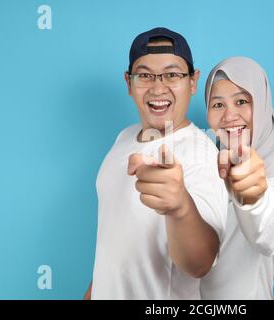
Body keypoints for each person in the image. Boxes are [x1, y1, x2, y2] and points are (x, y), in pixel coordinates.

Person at [85, 27, 227, 299]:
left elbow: (200, 263)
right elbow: (114, 246)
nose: (158, 87)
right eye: (145, 75)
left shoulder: (201, 152)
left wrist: (181, 208)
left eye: (172, 75)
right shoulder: (124, 138)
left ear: (193, 82)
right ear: (129, 83)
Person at [200, 57, 274, 299]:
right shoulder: (210, 159)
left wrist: (254, 198)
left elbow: (273, 235)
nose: (230, 116)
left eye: (242, 101)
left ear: (261, 104)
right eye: (218, 105)